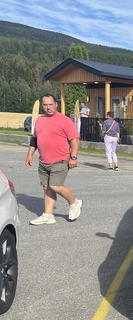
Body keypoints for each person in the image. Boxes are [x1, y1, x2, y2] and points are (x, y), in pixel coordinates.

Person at [25, 94, 83, 225]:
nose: (48, 107)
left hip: (60, 160)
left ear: (56, 104)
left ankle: (74, 202)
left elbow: (75, 139)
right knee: (47, 188)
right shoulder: (39, 120)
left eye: (50, 104)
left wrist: (73, 157)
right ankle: (48, 215)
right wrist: (29, 155)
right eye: (45, 105)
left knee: (55, 186)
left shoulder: (65, 120)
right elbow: (35, 139)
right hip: (44, 161)